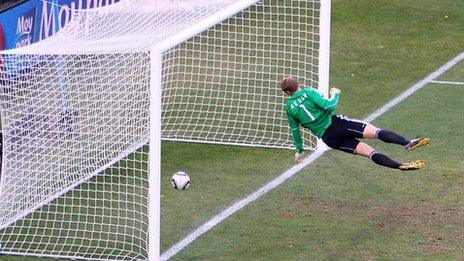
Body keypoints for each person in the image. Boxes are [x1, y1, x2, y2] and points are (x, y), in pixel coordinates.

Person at [281, 76, 430, 171]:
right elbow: (329, 106)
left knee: (370, 153)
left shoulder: (289, 108)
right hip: (337, 124)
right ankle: (406, 143)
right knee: (376, 132)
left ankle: (400, 166)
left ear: (287, 93)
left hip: (329, 139)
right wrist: (336, 93)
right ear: (297, 85)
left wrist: (299, 150)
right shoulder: (309, 92)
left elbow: (295, 131)